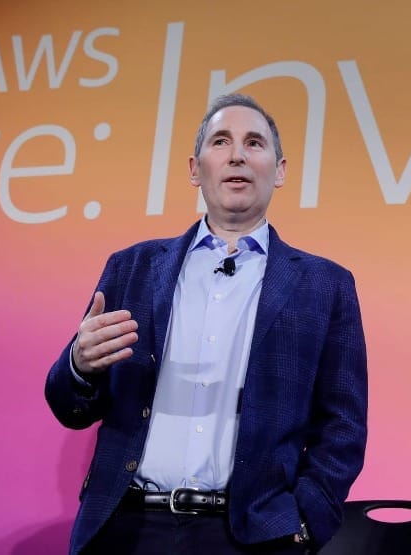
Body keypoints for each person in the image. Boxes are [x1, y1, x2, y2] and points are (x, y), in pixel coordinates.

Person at [45, 93, 368, 555]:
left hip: (250, 538)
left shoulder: (325, 285)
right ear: (195, 169)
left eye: (254, 143)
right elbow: (70, 408)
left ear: (279, 171)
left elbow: (343, 426)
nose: (237, 155)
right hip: (125, 529)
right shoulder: (132, 268)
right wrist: (79, 365)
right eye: (221, 141)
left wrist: (302, 523)